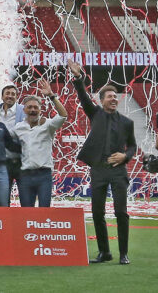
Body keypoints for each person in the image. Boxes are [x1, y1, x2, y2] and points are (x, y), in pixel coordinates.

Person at [68, 61, 137, 265]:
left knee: (121, 212)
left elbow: (132, 146)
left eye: (116, 96)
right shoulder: (94, 113)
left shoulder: (127, 122)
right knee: (97, 213)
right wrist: (78, 77)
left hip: (118, 171)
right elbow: (82, 95)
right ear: (102, 100)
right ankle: (104, 252)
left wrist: (125, 157)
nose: (114, 99)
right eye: (110, 96)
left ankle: (123, 253)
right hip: (97, 169)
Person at [12, 79, 67, 207]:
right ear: (24, 110)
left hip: (44, 175)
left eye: (36, 107)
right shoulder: (18, 127)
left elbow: (63, 115)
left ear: (40, 109)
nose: (32, 110)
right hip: (25, 175)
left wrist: (51, 96)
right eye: (29, 107)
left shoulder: (48, 125)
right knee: (26, 212)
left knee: (44, 211)